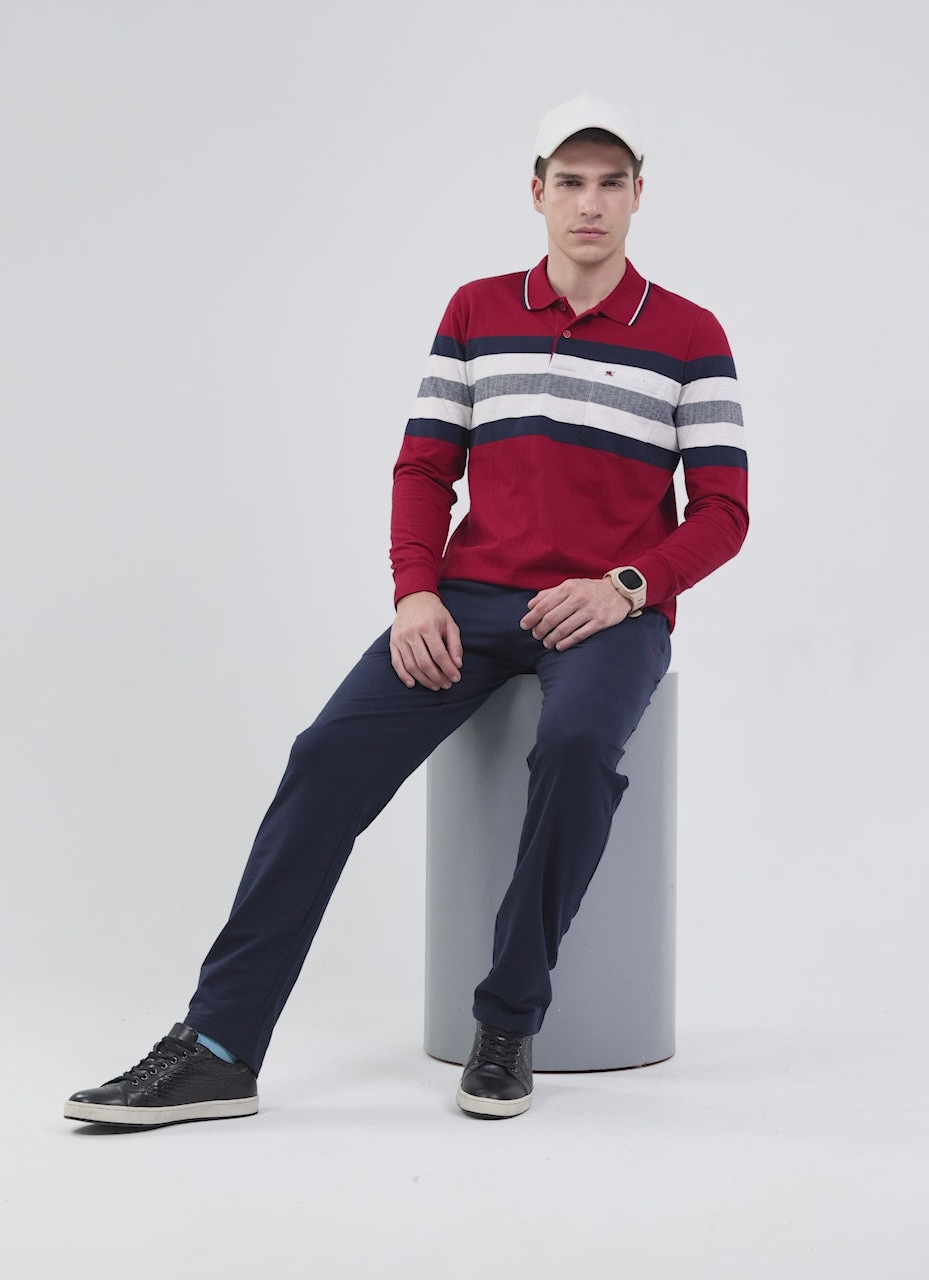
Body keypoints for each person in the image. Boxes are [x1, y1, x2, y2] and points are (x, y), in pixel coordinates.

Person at [64, 92, 748, 1126]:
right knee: (324, 756)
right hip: (467, 602)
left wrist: (626, 589)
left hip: (610, 614)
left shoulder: (692, 334)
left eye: (612, 183)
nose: (591, 203)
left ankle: (507, 1020)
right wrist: (415, 590)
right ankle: (218, 1047)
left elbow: (726, 510)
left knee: (573, 750)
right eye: (570, 182)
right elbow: (426, 465)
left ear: (639, 195)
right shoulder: (476, 310)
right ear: (536, 192)